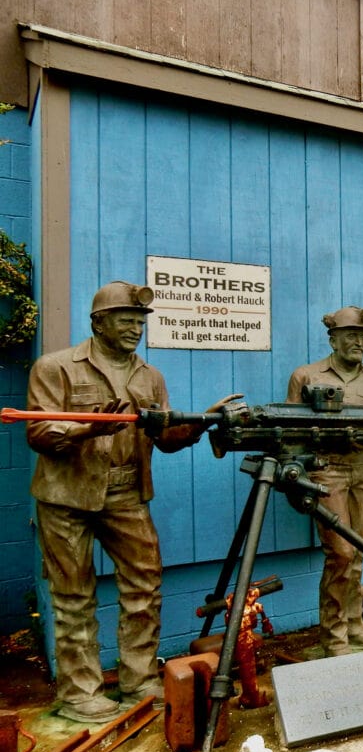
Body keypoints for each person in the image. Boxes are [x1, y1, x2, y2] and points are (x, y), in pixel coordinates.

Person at [26, 281, 234, 723]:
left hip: (126, 494)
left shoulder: (149, 376)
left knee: (144, 586)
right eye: (126, 320)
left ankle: (138, 680)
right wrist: (88, 429)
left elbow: (163, 438)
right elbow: (39, 433)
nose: (135, 329)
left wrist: (201, 422)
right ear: (98, 323)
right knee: (73, 595)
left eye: (140, 322)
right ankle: (80, 692)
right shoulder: (55, 367)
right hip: (67, 497)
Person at [286, 306, 363, 656]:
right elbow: (290, 430)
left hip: (362, 467)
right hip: (326, 468)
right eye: (350, 337)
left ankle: (354, 624)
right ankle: (333, 636)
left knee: (358, 549)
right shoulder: (307, 376)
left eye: (361, 337)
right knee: (341, 553)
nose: (357, 343)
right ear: (333, 339)